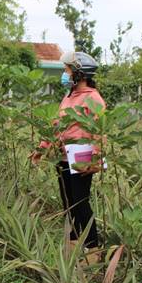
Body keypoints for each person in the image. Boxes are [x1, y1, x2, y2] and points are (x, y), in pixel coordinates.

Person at [30, 51, 105, 249]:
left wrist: (95, 159)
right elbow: (57, 125)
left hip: (82, 155)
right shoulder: (68, 97)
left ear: (79, 74)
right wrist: (42, 148)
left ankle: (92, 246)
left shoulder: (94, 99)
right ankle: (73, 241)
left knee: (81, 202)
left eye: (67, 70)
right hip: (63, 156)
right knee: (68, 202)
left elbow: (99, 131)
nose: (65, 74)